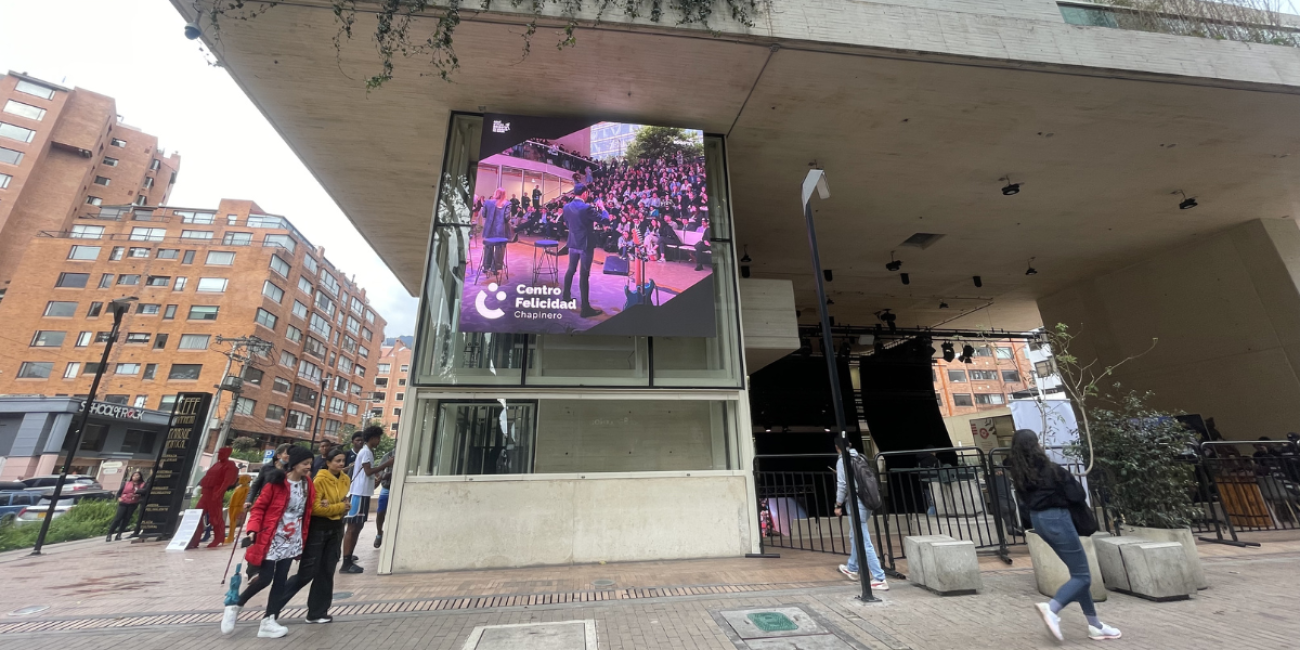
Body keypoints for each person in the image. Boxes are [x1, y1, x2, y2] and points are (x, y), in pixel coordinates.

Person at [1008, 429, 1121, 641]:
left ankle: (1095, 625)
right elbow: (1078, 493)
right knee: (1082, 576)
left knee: (1078, 574)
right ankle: (1052, 608)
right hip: (1058, 520)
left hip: (1039, 522)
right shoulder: (1052, 470)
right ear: (1036, 444)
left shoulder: (1019, 474)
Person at [221, 445, 316, 639]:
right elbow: (259, 508)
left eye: (310, 464)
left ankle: (269, 620)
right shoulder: (276, 482)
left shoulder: (308, 484)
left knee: (281, 580)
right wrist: (253, 529)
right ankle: (235, 604)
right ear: (295, 464)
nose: (309, 467)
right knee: (265, 577)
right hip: (272, 536)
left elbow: (307, 510)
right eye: (306, 464)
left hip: (293, 538)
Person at [267, 448, 350, 625]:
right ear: (328, 462)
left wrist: (337, 506)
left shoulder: (345, 479)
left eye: (343, 461)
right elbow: (317, 508)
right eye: (337, 461)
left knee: (327, 571)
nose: (341, 464)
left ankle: (317, 612)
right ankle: (272, 610)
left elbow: (344, 501)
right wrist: (340, 507)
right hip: (318, 529)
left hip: (336, 528)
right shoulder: (319, 480)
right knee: (307, 572)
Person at [832, 437, 888, 591]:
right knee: (855, 534)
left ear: (837, 447)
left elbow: (842, 485)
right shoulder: (859, 457)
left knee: (863, 540)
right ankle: (852, 567)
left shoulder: (842, 460)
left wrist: (838, 504)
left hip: (856, 502)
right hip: (867, 500)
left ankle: (879, 577)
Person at [340, 427, 394, 574]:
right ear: (372, 438)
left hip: (363, 493)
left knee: (358, 527)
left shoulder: (368, 452)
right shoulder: (366, 452)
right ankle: (346, 562)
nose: (379, 441)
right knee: (352, 527)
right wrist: (387, 464)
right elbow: (368, 471)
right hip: (358, 494)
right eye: (378, 438)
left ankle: (349, 557)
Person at [560, 184, 609, 318]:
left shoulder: (566, 207)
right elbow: (605, 220)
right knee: (584, 275)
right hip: (585, 244)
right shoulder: (587, 207)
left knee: (571, 270)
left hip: (572, 242)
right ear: (584, 194)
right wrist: (603, 208)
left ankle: (566, 297)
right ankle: (585, 309)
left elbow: (567, 223)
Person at [189, 447, 239, 549]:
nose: (219, 455)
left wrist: (219, 493)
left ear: (227, 454)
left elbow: (227, 481)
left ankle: (219, 537)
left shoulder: (230, 465)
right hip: (206, 493)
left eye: (221, 453)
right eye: (219, 453)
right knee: (196, 514)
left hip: (215, 493)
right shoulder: (216, 464)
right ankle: (195, 539)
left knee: (215, 516)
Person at [106, 471, 147, 542]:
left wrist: (138, 495)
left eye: (137, 475)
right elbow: (119, 493)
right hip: (124, 502)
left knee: (126, 519)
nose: (136, 477)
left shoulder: (142, 485)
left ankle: (119, 534)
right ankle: (109, 534)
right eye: (134, 475)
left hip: (133, 503)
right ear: (132, 476)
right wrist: (119, 499)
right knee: (118, 518)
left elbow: (144, 493)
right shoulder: (126, 483)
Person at [481, 188, 511, 275]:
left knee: (488, 247)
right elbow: (506, 217)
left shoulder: (487, 202)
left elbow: (484, 215)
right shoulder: (507, 203)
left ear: (495, 193)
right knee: (500, 248)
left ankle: (486, 267)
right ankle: (496, 268)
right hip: (501, 229)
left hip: (489, 229)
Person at [373, 449, 394, 549]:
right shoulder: (389, 454)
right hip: (387, 487)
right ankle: (379, 533)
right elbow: (379, 470)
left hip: (399, 488)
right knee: (380, 512)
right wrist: (383, 475)